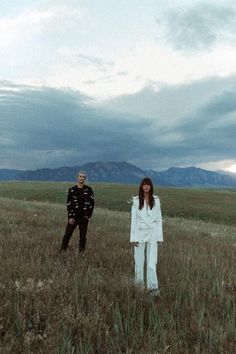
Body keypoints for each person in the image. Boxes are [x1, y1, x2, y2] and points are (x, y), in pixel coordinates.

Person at [130, 177, 163, 296]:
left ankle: (153, 289)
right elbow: (133, 220)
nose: (146, 186)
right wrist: (133, 238)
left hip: (153, 234)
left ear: (151, 186)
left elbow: (159, 219)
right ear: (141, 186)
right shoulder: (136, 200)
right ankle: (139, 288)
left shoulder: (156, 200)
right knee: (139, 262)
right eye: (144, 184)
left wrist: (159, 237)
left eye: (148, 184)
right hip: (139, 233)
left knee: (152, 262)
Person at [60, 171, 94, 253]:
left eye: (83, 177)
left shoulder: (89, 190)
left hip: (84, 217)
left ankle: (81, 252)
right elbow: (69, 204)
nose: (82, 178)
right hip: (74, 217)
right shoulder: (71, 190)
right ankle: (62, 250)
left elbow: (92, 204)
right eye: (80, 176)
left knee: (83, 236)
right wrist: (70, 217)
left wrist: (88, 216)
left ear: (85, 179)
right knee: (67, 234)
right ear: (77, 177)